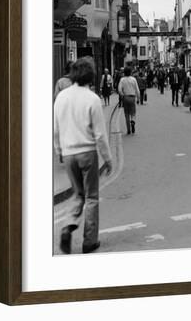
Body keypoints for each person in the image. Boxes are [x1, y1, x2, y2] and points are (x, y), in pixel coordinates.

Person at [54, 57, 112, 255]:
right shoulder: (92, 99)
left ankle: (67, 225)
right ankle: (89, 241)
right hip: (87, 152)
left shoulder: (61, 97)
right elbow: (100, 135)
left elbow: (55, 129)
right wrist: (108, 158)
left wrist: (58, 150)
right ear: (91, 75)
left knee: (77, 194)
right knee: (92, 197)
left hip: (69, 153)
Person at [118, 66, 141, 134]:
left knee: (127, 114)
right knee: (133, 112)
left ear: (124, 72)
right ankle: (133, 121)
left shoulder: (122, 80)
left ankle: (128, 130)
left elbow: (119, 89)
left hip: (125, 97)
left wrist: (122, 95)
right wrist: (138, 98)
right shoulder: (133, 79)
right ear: (130, 72)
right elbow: (137, 90)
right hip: (132, 97)